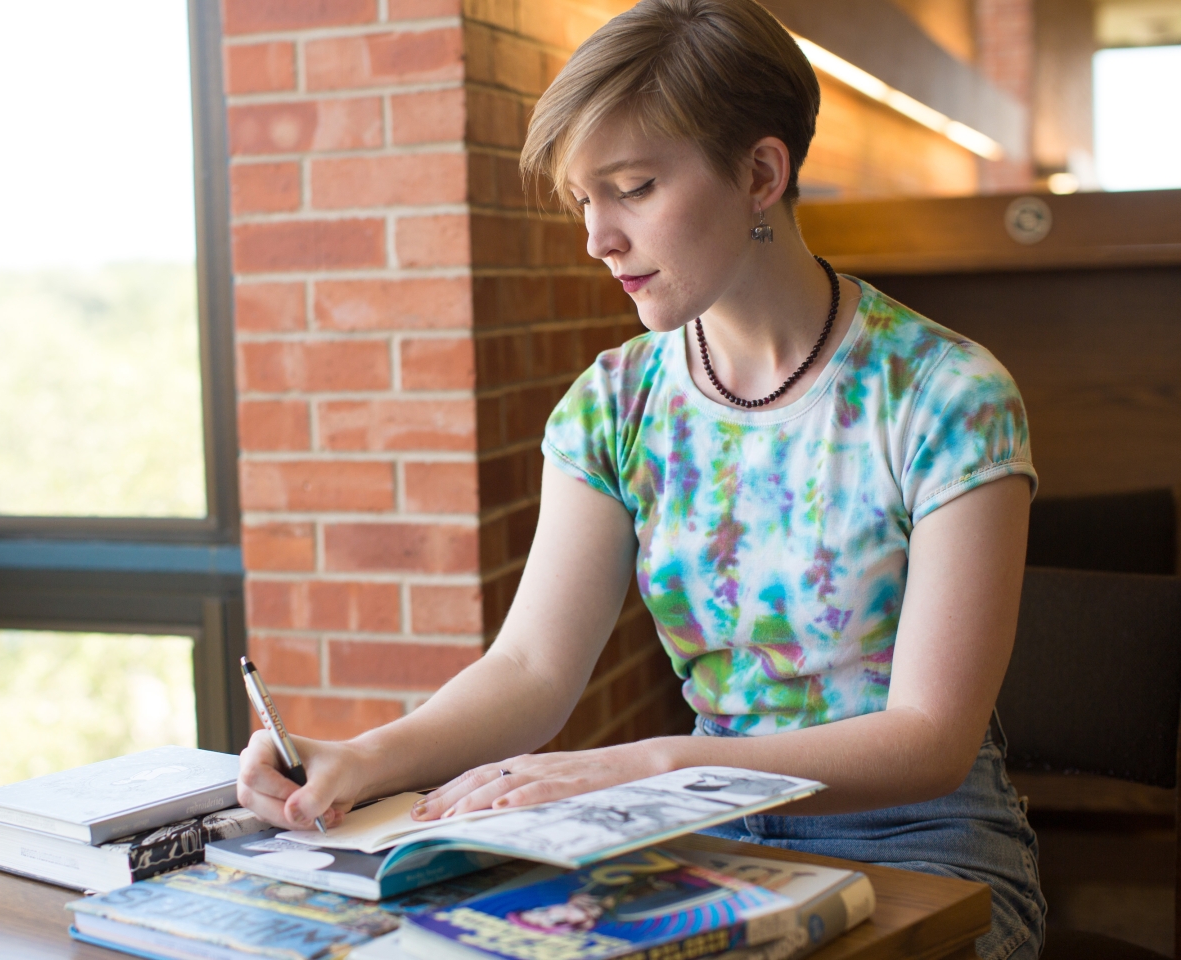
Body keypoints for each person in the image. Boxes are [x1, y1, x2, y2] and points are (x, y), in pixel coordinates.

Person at [237, 1, 1045, 956]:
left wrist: (651, 766)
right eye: (585, 199)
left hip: (925, 851)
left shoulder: (948, 395)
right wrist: (363, 758)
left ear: (760, 173)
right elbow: (532, 670)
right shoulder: (614, 403)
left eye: (632, 187)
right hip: (696, 847)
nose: (598, 239)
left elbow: (929, 739)